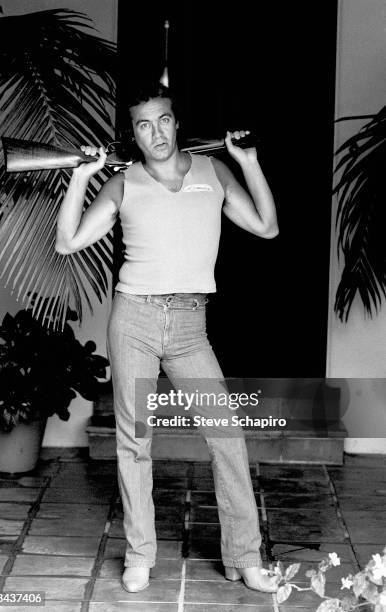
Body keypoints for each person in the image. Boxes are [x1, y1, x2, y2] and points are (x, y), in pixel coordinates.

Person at [55, 83, 279, 594]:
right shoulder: (123, 184)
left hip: (189, 328)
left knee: (227, 435)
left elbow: (267, 227)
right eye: (142, 124)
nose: (155, 132)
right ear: (132, 134)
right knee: (135, 442)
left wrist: (247, 162)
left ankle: (243, 556)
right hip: (133, 319)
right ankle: (139, 555)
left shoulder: (212, 173)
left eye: (162, 120)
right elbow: (68, 242)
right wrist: (80, 178)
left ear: (176, 123)